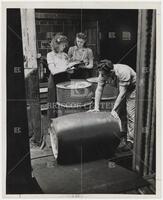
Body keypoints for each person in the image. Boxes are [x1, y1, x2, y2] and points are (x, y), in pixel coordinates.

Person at [89, 59, 136, 151]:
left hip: (133, 88)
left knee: (130, 114)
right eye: (100, 74)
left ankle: (131, 141)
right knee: (120, 112)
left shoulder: (123, 72)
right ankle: (123, 133)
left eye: (103, 75)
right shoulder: (103, 72)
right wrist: (96, 108)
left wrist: (113, 109)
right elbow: (99, 89)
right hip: (122, 87)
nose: (101, 76)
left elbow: (122, 93)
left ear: (111, 72)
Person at [47, 33, 75, 119]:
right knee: (54, 102)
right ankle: (53, 122)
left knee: (66, 102)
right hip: (55, 80)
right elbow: (53, 71)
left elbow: (69, 70)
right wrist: (65, 69)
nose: (64, 47)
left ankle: (65, 120)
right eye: (63, 45)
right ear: (57, 45)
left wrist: (71, 69)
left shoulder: (65, 55)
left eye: (65, 45)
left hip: (65, 80)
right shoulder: (50, 55)